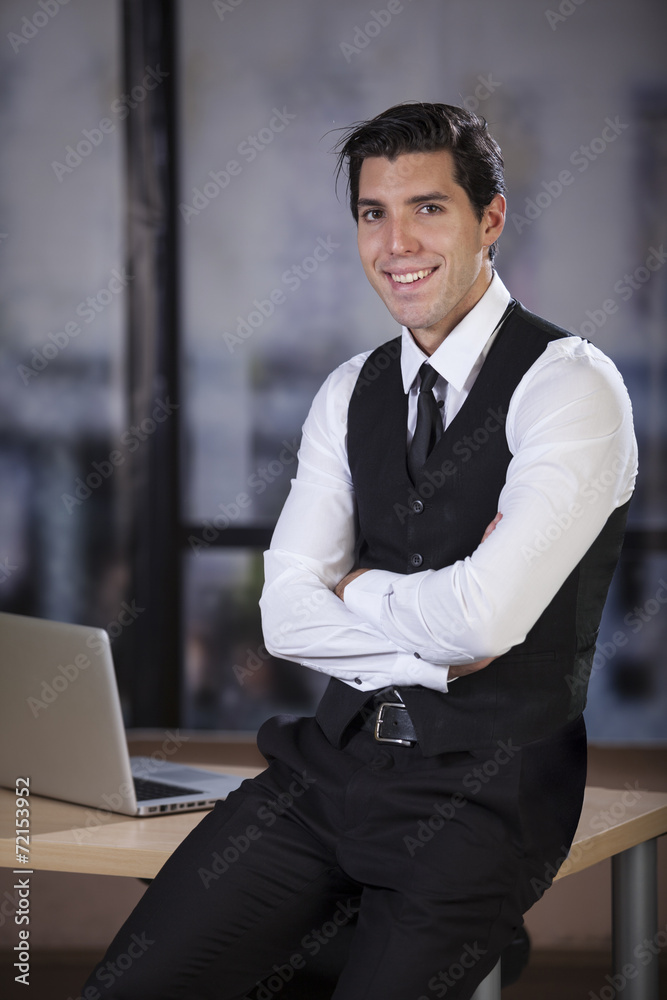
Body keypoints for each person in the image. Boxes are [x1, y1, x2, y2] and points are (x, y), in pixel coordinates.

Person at [81, 102, 637, 1000]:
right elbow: (286, 616)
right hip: (329, 766)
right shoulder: (351, 390)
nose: (395, 242)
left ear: (489, 219)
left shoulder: (569, 386)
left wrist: (360, 586)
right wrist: (440, 645)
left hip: (483, 796)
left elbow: (486, 616)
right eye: (373, 213)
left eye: (427, 208)